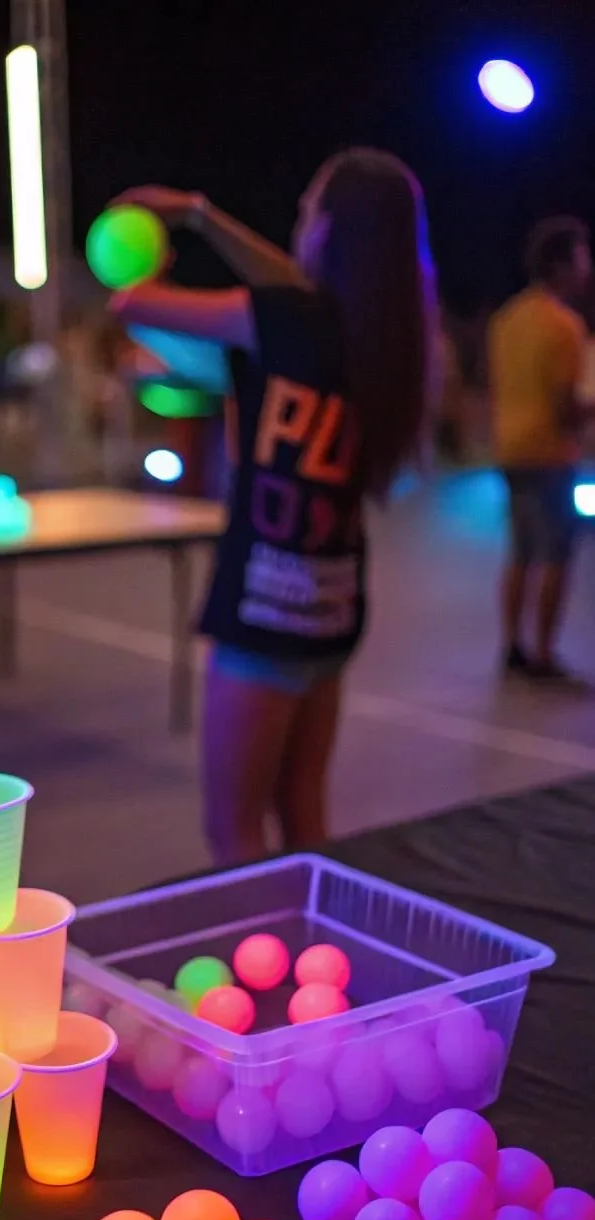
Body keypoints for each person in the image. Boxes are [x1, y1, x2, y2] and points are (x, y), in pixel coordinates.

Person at [107, 151, 435, 863]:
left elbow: (134, 305)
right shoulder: (386, 342)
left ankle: (266, 970)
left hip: (264, 615)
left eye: (311, 209)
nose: (298, 221)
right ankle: (316, 962)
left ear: (331, 232)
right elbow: (289, 288)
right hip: (332, 611)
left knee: (234, 832)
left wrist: (136, 254)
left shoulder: (283, 319)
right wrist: (198, 212)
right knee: (303, 814)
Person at [488, 218, 592, 681]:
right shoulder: (564, 326)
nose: (587, 267)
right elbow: (565, 405)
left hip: (509, 449)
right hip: (551, 453)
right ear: (562, 264)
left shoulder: (506, 319)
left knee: (520, 552)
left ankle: (512, 646)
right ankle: (545, 655)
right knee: (555, 555)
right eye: (582, 256)